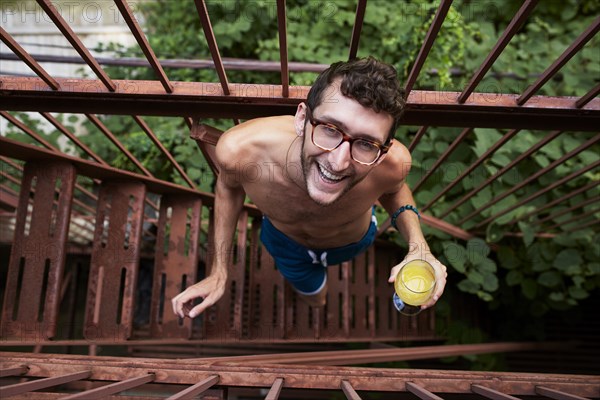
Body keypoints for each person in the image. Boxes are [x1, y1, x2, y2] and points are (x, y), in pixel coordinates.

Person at [172, 56, 447, 318]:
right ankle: (318, 304)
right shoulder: (241, 151)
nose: (339, 162)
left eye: (366, 143)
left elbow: (395, 190)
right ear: (302, 118)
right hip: (284, 243)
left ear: (383, 151)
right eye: (330, 128)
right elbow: (228, 189)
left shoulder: (392, 163)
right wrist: (219, 270)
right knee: (315, 298)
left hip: (352, 242)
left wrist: (418, 243)